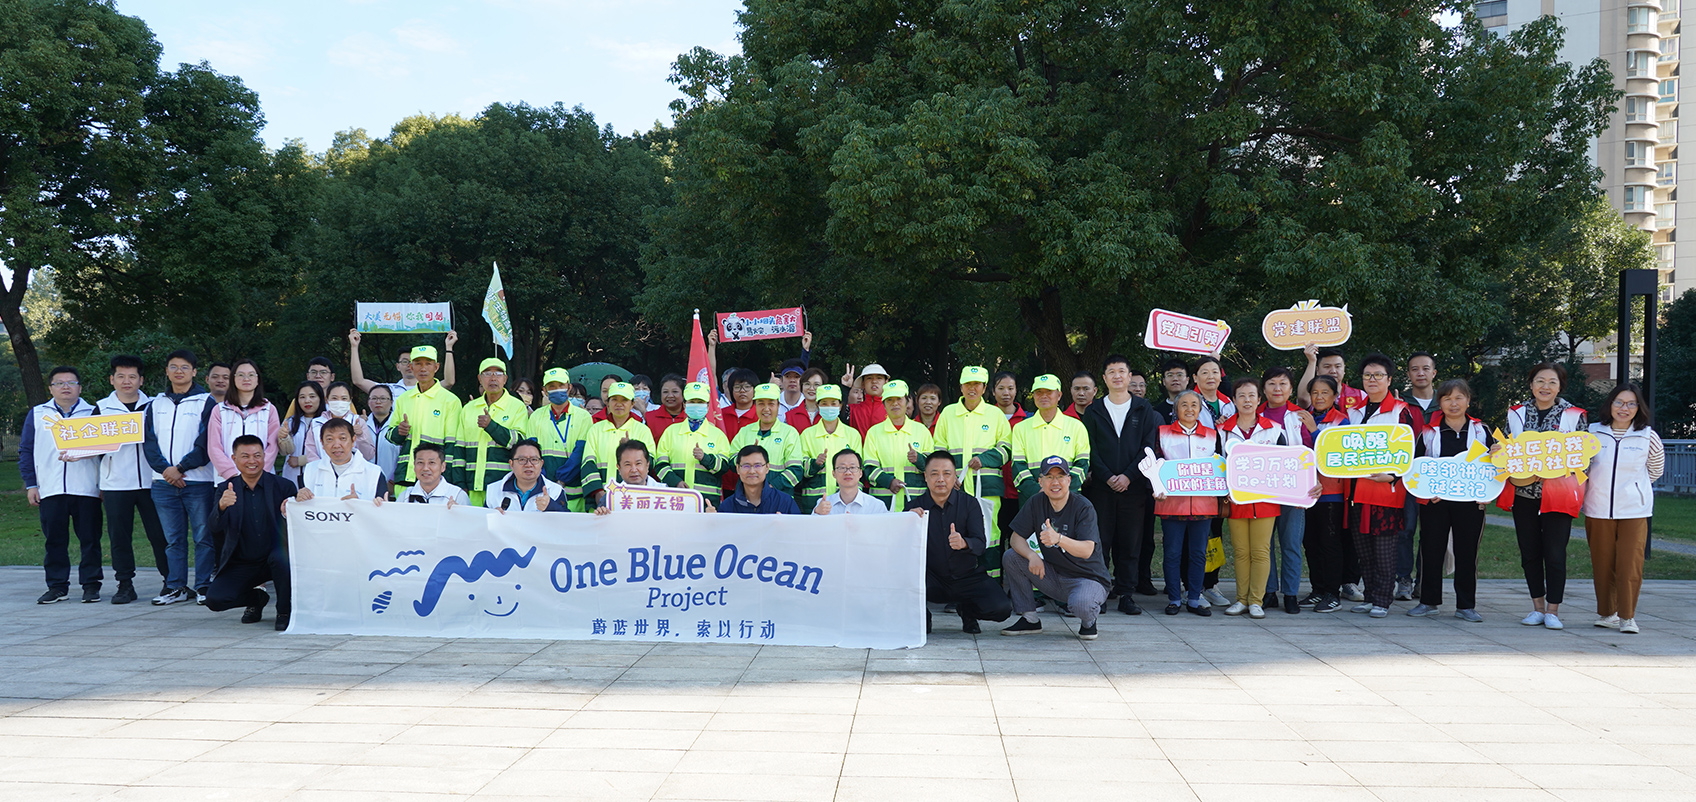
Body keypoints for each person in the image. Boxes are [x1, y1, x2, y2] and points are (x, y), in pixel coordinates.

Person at [1498, 362, 1587, 630]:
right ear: (1531, 384)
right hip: (1524, 492)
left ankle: (1553, 610)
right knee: (1530, 552)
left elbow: (1581, 455)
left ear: (1560, 386)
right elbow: (1509, 447)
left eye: (1551, 382)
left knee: (1555, 552)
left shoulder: (1573, 415)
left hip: (1557, 492)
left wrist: (1550, 470)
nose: (1545, 387)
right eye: (1539, 381)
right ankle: (1537, 607)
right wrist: (1499, 451)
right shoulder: (1516, 413)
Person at [1080, 356, 1161, 615]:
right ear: (1104, 378)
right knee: (1099, 541)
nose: (1117, 376)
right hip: (1101, 489)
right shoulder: (1093, 411)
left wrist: (1128, 476)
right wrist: (1107, 476)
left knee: (1130, 542)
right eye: (1111, 371)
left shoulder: (1143, 408)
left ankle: (1126, 593)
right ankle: (1100, 593)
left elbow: (1148, 447)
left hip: (1133, 488)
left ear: (1129, 377)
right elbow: (1089, 449)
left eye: (1122, 371)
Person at [1001, 456, 1113, 640]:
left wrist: (1058, 539)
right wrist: (1032, 556)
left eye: (1060, 476)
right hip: (1054, 576)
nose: (1055, 482)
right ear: (1040, 481)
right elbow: (1015, 538)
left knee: (1081, 605)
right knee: (1012, 557)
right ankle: (1030, 619)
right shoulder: (1036, 502)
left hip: (1087, 578)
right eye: (1049, 477)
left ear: (1069, 480)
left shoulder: (1083, 507)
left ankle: (1088, 621)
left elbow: (1086, 550)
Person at [1409, 379, 1493, 622]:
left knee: (1467, 552)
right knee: (1430, 549)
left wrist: (1487, 492)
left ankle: (1466, 605)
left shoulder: (1481, 431)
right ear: (1440, 402)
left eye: (1459, 397)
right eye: (1447, 398)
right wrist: (1426, 489)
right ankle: (1428, 601)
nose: (1453, 403)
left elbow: (1495, 469)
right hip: (1436, 501)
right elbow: (1417, 466)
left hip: (1470, 502)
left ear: (1468, 400)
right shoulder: (1428, 432)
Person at [1347, 354, 1421, 618]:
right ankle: (1369, 595)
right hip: (1357, 489)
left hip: (1386, 489)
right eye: (1367, 375)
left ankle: (1382, 599)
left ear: (1389, 379)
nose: (1372, 380)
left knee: (1385, 547)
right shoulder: (1354, 411)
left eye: (1378, 375)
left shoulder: (1401, 411)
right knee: (1363, 546)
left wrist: (1394, 476)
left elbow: (1413, 451)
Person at [21, 366, 103, 604]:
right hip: (50, 487)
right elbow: (26, 451)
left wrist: (103, 485)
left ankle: (91, 585)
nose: (65, 387)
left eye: (71, 382)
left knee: (90, 538)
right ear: (50, 388)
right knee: (54, 539)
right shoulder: (38, 414)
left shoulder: (94, 413)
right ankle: (57, 586)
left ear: (80, 387)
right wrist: (31, 485)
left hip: (87, 487)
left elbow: (106, 450)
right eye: (59, 383)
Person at [1584, 382, 1661, 635]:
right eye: (1619, 402)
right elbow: (1583, 468)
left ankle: (1627, 617)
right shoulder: (1593, 432)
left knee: (1630, 565)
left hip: (1634, 511)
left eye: (1631, 404)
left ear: (1639, 408)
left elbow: (1655, 471)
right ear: (1610, 405)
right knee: (1602, 564)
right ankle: (1607, 614)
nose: (1624, 408)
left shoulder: (1648, 436)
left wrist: (1633, 488)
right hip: (1598, 508)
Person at [910, 451, 1013, 634]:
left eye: (946, 473)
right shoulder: (914, 508)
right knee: (904, 583)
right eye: (934, 474)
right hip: (930, 578)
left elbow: (981, 544)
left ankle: (967, 611)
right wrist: (908, 523)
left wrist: (964, 543)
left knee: (1001, 608)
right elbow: (901, 551)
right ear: (925, 477)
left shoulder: (969, 504)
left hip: (966, 577)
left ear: (955, 476)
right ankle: (921, 616)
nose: (940, 479)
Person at [205, 435, 296, 631]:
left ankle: (284, 611)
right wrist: (221, 507)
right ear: (234, 458)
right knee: (215, 599)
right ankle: (257, 599)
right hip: (243, 562)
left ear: (265, 456)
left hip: (276, 558)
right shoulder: (225, 489)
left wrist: (289, 512)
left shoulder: (284, 487)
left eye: (257, 455)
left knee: (282, 559)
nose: (252, 461)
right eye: (245, 456)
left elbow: (299, 526)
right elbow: (213, 527)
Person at [97, 355, 166, 605]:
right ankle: (125, 584)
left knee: (160, 534)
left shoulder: (156, 406)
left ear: (141, 379)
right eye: (121, 376)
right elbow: (91, 446)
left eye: (132, 376)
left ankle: (171, 582)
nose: (127, 381)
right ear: (112, 379)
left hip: (153, 482)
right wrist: (75, 453)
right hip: (116, 484)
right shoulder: (101, 408)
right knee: (119, 537)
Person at [1216, 377, 1286, 619]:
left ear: (1259, 399)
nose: (1247, 400)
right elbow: (1217, 464)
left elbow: (1286, 463)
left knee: (1261, 550)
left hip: (1265, 500)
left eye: (1251, 396)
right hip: (1235, 499)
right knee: (1241, 551)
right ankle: (1241, 599)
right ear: (1233, 401)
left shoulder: (1274, 430)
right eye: (1241, 396)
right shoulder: (1223, 430)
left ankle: (1256, 600)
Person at [934, 366, 1013, 576]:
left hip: (986, 488)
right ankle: (957, 589)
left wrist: (984, 459)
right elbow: (939, 451)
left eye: (977, 384)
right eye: (968, 384)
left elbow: (1006, 450)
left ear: (984, 387)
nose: (972, 388)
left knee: (990, 535)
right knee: (955, 534)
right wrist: (949, 478)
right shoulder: (948, 413)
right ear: (961, 387)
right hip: (955, 490)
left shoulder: (995, 414)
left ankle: (991, 585)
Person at [1150, 390, 1217, 617]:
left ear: (1200, 409)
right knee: (1172, 553)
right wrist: (1156, 486)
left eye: (1194, 405)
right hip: (1171, 503)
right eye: (1184, 405)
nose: (1189, 409)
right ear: (1176, 409)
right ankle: (1174, 598)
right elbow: (1154, 466)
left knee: (1198, 553)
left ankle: (1195, 598)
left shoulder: (1212, 435)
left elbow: (1220, 467)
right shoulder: (1163, 433)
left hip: (1203, 503)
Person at [1299, 376, 1352, 614]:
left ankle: (1333, 593)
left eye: (1325, 392)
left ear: (1334, 396)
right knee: (1310, 543)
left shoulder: (1343, 421)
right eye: (1315, 393)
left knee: (1330, 543)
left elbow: (1335, 454)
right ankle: (1317, 590)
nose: (1319, 397)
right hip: (1304, 492)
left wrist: (1314, 430)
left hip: (1332, 492)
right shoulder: (1301, 417)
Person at [1393, 352, 1440, 604]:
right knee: (1405, 529)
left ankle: (1426, 580)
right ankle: (1403, 579)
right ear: (1408, 374)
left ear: (1434, 373)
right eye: (1414, 369)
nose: (1420, 373)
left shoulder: (1446, 402)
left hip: (1437, 476)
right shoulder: (1401, 404)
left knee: (1432, 532)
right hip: (1407, 475)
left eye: (1425, 368)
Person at [1260, 367, 1307, 613]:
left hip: (1293, 490)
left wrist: (1311, 483)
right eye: (1271, 383)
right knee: (1264, 544)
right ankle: (1269, 592)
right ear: (1264, 388)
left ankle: (1290, 594)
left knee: (1290, 543)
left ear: (1291, 388)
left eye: (1283, 384)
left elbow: (1310, 452)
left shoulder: (1299, 416)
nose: (1277, 389)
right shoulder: (1253, 414)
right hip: (1262, 491)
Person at [454, 358, 529, 506]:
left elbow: (519, 443)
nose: (493, 378)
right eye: (487, 373)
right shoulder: (469, 409)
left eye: (498, 373)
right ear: (480, 379)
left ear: (505, 379)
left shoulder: (517, 407)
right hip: (471, 487)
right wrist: (459, 484)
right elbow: (459, 451)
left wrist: (491, 426)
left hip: (503, 487)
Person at [1190, 356, 1234, 606]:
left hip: (1223, 476)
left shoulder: (1230, 403)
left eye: (1214, 371)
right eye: (1203, 372)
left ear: (1221, 376)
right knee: (1196, 531)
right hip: (1197, 477)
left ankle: (1211, 584)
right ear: (1195, 378)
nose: (1210, 376)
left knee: (1215, 531)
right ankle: (1193, 585)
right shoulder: (1189, 401)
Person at [385, 345, 463, 488]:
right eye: (418, 364)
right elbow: (391, 436)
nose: (423, 368)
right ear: (411, 367)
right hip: (405, 475)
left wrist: (449, 480)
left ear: (437, 367)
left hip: (435, 478)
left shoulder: (451, 401)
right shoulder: (403, 399)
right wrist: (399, 432)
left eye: (428, 363)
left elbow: (453, 446)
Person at [655, 382, 734, 506]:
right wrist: (676, 482)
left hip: (707, 502)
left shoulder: (718, 435)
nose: (696, 405)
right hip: (675, 499)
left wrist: (705, 458)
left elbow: (724, 467)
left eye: (700, 402)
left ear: (708, 406)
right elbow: (660, 465)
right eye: (692, 402)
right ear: (685, 404)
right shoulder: (671, 432)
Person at [582, 382, 659, 507]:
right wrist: (597, 492)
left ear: (632, 404)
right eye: (614, 399)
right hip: (600, 498)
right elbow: (588, 463)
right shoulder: (595, 429)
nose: (619, 404)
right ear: (607, 403)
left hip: (633, 499)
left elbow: (651, 461)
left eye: (624, 400)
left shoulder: (643, 429)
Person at [526, 367, 593, 511]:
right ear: (544, 390)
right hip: (543, 491)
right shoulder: (536, 416)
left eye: (561, 385)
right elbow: (532, 453)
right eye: (552, 386)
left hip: (573, 493)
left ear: (569, 387)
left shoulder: (584, 417)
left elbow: (580, 452)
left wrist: (561, 480)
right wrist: (545, 482)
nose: (557, 390)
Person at [863, 380, 934, 512]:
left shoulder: (922, 430)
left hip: (916, 502)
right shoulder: (874, 433)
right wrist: (889, 481)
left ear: (907, 402)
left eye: (899, 399)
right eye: (890, 400)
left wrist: (919, 459)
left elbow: (932, 468)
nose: (895, 403)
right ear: (884, 404)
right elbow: (869, 469)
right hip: (882, 504)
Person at [730, 383, 805, 494]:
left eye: (771, 404)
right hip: (747, 496)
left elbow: (796, 470)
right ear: (755, 405)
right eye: (761, 404)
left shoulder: (789, 433)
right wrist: (747, 456)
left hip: (779, 497)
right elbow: (732, 462)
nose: (766, 409)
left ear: (778, 405)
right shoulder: (745, 431)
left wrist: (770, 487)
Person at [798, 384, 864, 506]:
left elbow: (858, 470)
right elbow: (801, 469)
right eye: (824, 403)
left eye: (833, 403)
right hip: (814, 502)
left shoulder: (853, 434)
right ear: (818, 406)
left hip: (846, 502)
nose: (829, 407)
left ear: (840, 406)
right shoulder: (807, 435)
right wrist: (815, 464)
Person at [296, 418, 388, 502]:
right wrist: (297, 502)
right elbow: (300, 511)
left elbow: (381, 513)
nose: (336, 445)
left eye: (342, 438)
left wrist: (360, 506)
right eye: (329, 439)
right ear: (322, 443)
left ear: (353, 440)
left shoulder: (374, 474)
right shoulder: (310, 471)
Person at [719, 444, 803, 514]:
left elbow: (798, 532)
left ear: (767, 467)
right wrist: (712, 521)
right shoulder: (727, 506)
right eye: (746, 466)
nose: (751, 471)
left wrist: (786, 526)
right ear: (738, 469)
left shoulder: (785, 502)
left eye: (757, 466)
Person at [486, 439, 568, 512]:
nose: (529, 464)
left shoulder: (555, 491)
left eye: (534, 460)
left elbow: (567, 524)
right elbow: (482, 525)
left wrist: (551, 506)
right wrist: (491, 517)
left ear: (541, 464)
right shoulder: (493, 490)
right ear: (511, 464)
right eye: (522, 460)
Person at [278, 381, 328, 486]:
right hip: (291, 477)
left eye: (312, 396)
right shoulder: (290, 422)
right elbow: (284, 452)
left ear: (321, 398)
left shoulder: (328, 423)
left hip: (319, 478)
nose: (307, 401)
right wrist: (283, 438)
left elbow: (330, 453)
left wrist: (301, 460)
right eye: (302, 397)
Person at [813, 449, 888, 514]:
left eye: (852, 467)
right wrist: (817, 513)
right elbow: (812, 529)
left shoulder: (876, 506)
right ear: (834, 474)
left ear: (860, 473)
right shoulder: (823, 505)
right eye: (842, 468)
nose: (848, 472)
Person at [392, 443, 469, 505]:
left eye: (431, 463)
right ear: (414, 466)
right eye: (420, 463)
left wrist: (459, 514)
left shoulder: (458, 496)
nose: (425, 468)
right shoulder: (405, 497)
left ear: (443, 466)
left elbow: (468, 523)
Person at [1297, 345, 1368, 413]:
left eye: (1338, 366)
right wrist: (1312, 361)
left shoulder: (1360, 395)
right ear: (1317, 370)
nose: (1333, 371)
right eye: (1327, 367)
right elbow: (1303, 399)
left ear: (1344, 369)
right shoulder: (1313, 395)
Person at [322, 382, 376, 461]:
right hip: (323, 470)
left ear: (350, 400)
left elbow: (369, 455)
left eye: (344, 398)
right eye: (334, 398)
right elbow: (311, 453)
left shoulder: (358, 422)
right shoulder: (317, 423)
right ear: (326, 400)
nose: (339, 402)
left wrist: (360, 436)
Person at [363, 384, 401, 483]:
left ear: (391, 402)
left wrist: (393, 480)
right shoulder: (361, 425)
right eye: (374, 398)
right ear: (368, 402)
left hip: (392, 483)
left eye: (383, 398)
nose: (378, 402)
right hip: (365, 482)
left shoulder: (399, 427)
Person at [842, 363, 890, 436]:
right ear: (862, 384)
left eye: (879, 378)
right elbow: (837, 412)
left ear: (886, 382)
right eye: (869, 378)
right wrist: (845, 388)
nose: (874, 381)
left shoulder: (892, 409)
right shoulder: (853, 410)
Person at [784, 367, 829, 433]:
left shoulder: (829, 413)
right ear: (801, 386)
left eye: (816, 385)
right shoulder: (790, 416)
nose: (811, 388)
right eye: (807, 384)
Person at [646, 374, 688, 441]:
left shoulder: (690, 418)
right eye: (665, 392)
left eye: (675, 391)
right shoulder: (649, 417)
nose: (670, 395)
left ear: (683, 394)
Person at [1151, 358, 1190, 423]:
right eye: (1170, 375)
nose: (1175, 379)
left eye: (1179, 375)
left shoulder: (1198, 407)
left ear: (1187, 380)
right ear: (1164, 381)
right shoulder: (1157, 411)